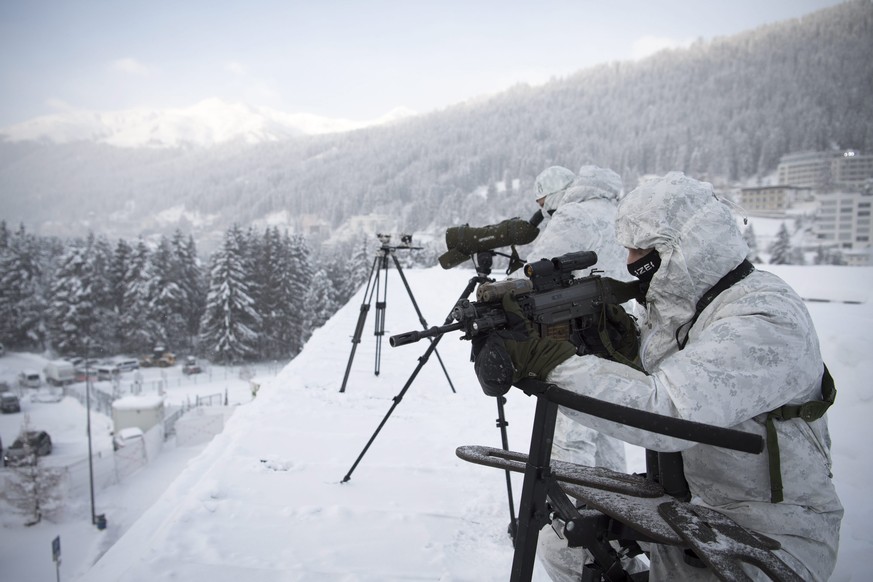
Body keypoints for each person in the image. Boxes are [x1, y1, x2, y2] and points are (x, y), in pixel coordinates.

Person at [478, 172, 843, 581]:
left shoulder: (764, 317)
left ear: (688, 245)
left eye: (641, 249)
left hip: (773, 528)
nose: (631, 262)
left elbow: (669, 411)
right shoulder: (686, 308)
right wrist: (617, 345)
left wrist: (550, 360)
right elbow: (665, 371)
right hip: (686, 501)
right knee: (563, 547)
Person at [520, 164, 639, 581]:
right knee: (606, 428)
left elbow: (530, 274)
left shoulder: (572, 216)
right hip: (620, 336)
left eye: (541, 202)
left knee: (570, 437)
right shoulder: (615, 210)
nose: (540, 210)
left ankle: (576, 550)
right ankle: (621, 526)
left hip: (578, 337)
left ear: (551, 196)